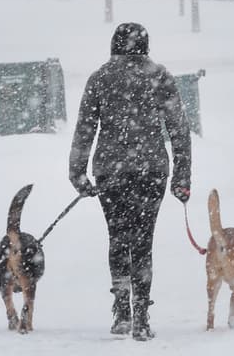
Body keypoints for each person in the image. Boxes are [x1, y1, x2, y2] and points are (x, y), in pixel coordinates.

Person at [68, 22, 192, 341]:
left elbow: (85, 129)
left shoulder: (100, 78)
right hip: (151, 170)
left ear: (114, 45)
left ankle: (123, 311)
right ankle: (142, 316)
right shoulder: (159, 76)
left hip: (111, 171)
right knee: (143, 240)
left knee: (118, 237)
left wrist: (78, 172)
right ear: (145, 47)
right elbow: (179, 129)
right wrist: (182, 176)